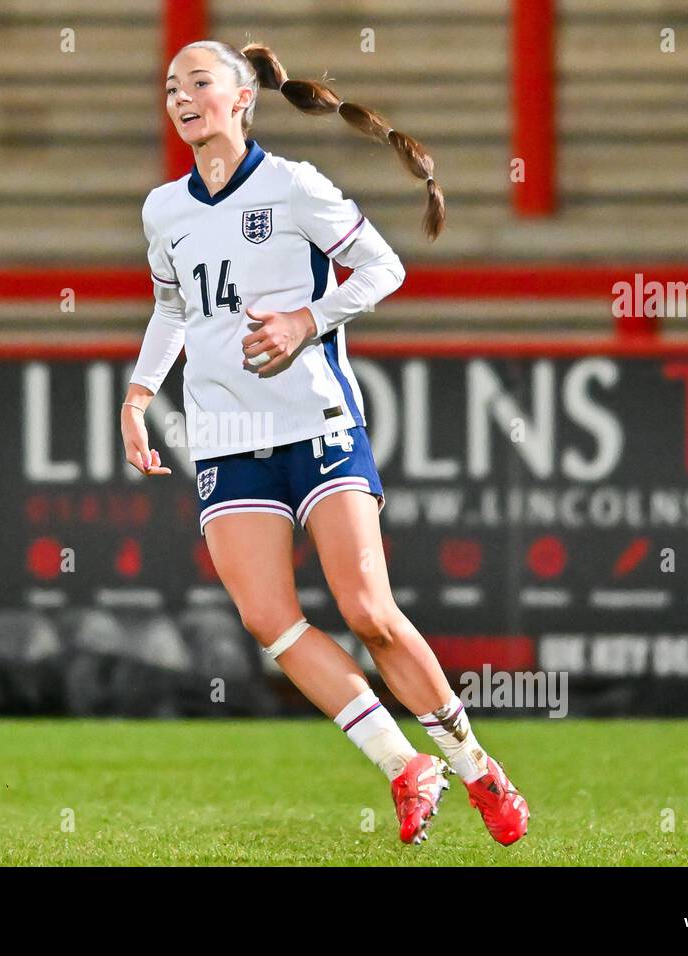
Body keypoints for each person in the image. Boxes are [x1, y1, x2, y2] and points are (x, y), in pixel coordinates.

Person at [120, 39, 528, 847]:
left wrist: (307, 320)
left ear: (243, 99)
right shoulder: (163, 209)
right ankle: (403, 765)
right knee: (270, 621)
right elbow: (172, 308)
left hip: (317, 424)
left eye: (200, 82)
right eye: (171, 86)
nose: (182, 96)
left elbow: (383, 267)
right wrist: (139, 393)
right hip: (227, 436)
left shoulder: (293, 186)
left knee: (370, 613)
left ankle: (477, 767)